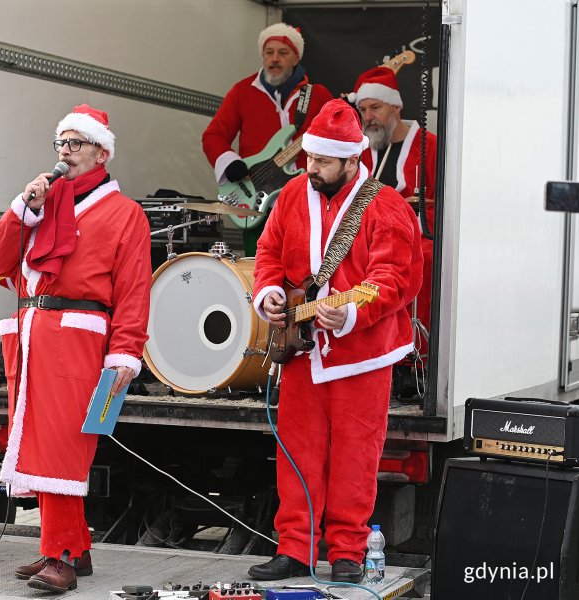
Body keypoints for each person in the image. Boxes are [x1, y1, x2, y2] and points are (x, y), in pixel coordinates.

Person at [248, 99, 422, 583]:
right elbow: (268, 253)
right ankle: (295, 550)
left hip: (361, 356)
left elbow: (395, 278)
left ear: (352, 160)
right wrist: (267, 294)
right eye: (309, 158)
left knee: (355, 456)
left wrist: (350, 311)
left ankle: (347, 552)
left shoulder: (384, 205)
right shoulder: (290, 196)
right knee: (296, 454)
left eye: (323, 161)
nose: (312, 168)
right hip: (303, 352)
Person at [0, 104, 151, 594]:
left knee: (62, 448)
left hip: (80, 336)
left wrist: (125, 353)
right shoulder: (43, 203)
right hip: (32, 334)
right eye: (60, 143)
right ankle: (75, 548)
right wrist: (22, 209)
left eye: (75, 144)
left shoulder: (125, 214)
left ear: (102, 151)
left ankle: (60, 558)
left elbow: (134, 292)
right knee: (36, 442)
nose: (64, 153)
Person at [202, 22, 333, 239]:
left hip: (306, 198)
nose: (274, 58)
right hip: (257, 200)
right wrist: (229, 162)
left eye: (283, 53)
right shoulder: (242, 92)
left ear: (296, 58)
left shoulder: (318, 95)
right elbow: (213, 136)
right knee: (257, 267)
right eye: (268, 52)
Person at [350, 66, 437, 334]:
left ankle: (412, 350)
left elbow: (445, 207)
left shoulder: (431, 146)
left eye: (375, 107)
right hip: (369, 236)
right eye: (363, 110)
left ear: (396, 107)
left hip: (415, 236)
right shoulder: (361, 152)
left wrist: (418, 208)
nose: (368, 117)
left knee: (423, 258)